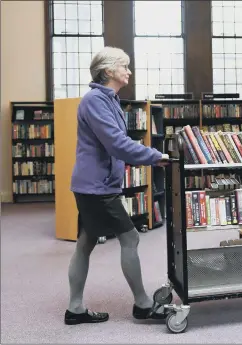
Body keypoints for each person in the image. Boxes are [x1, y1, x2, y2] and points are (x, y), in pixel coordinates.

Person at [64, 46, 169, 325]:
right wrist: (155, 157)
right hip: (96, 187)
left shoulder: (108, 99)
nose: (129, 71)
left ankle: (75, 309)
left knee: (85, 243)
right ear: (108, 71)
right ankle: (143, 305)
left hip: (96, 185)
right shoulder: (95, 101)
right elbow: (117, 144)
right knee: (130, 237)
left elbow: (115, 143)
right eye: (125, 66)